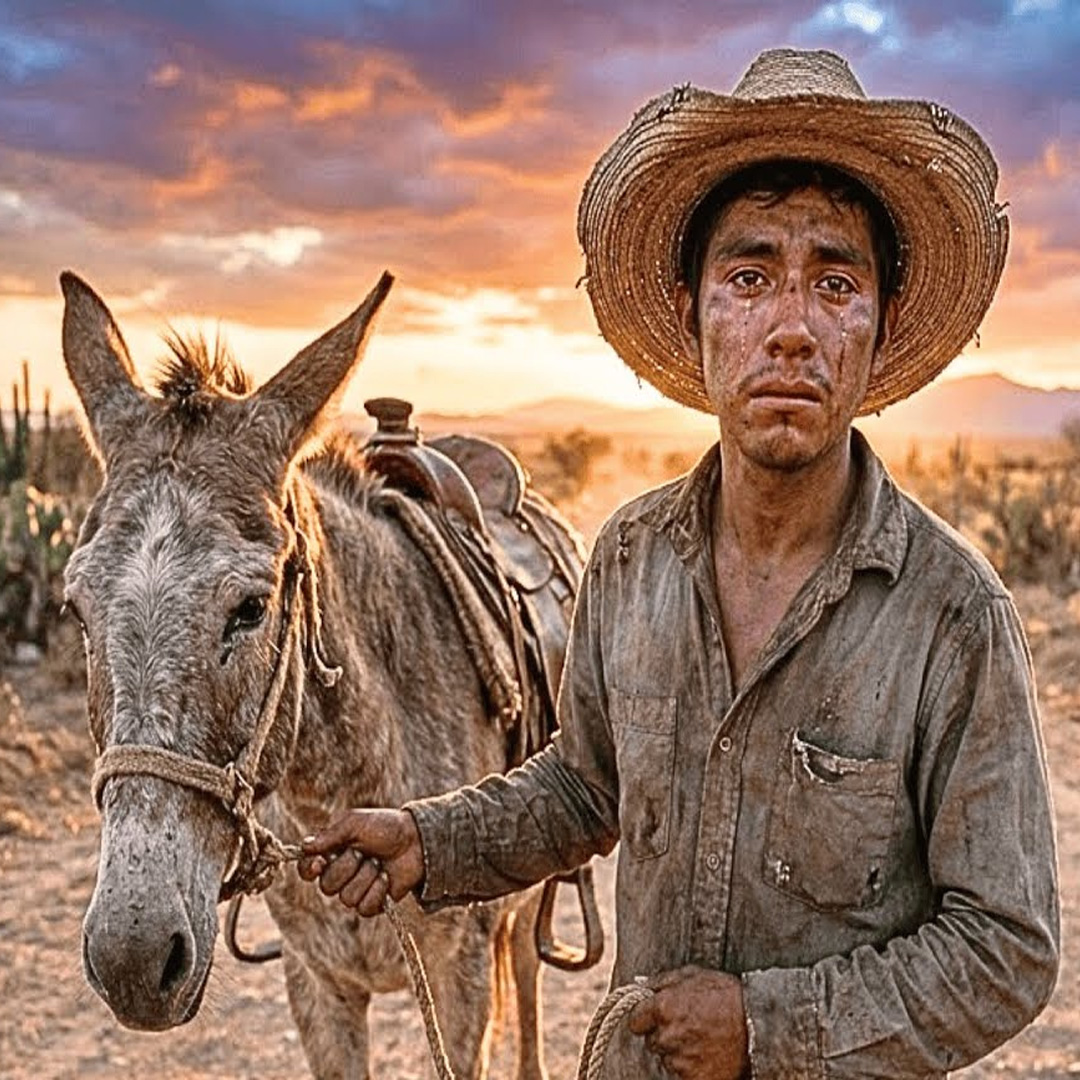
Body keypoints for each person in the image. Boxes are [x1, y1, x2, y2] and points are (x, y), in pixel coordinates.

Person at [297, 48, 1060, 1078]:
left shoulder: (953, 616)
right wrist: (430, 842)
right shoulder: (630, 558)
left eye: (836, 283)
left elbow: (1007, 951)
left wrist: (765, 1026)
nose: (791, 329)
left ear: (880, 330)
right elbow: (585, 788)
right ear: (691, 311)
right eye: (749, 279)